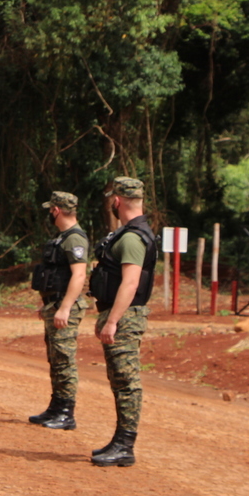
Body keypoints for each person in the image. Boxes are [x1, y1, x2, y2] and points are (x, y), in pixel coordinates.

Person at [87, 176, 157, 467]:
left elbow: (130, 283)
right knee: (119, 379)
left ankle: (125, 445)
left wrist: (112, 321)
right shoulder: (128, 233)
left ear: (117, 201)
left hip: (126, 317)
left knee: (126, 381)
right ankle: (120, 441)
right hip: (121, 315)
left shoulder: (131, 238)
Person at [28, 191, 89, 430]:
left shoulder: (74, 239)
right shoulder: (62, 238)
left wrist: (64, 308)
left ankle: (66, 412)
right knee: (55, 359)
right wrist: (48, 303)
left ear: (56, 210)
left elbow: (79, 275)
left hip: (65, 307)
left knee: (64, 360)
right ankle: (56, 407)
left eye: (50, 210)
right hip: (54, 305)